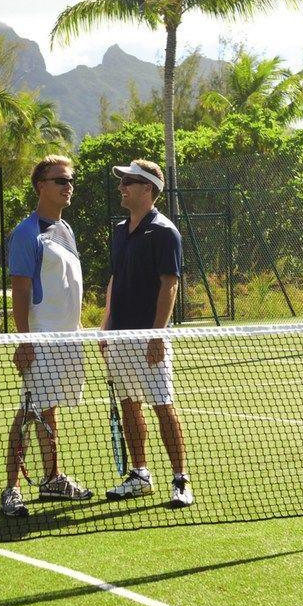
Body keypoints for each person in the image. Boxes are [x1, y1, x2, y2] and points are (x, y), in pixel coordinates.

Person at [0, 155, 93, 518]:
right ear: (41, 186)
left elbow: (69, 287)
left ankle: (53, 478)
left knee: (49, 408)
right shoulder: (25, 234)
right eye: (60, 181)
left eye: (70, 181)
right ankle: (12, 489)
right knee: (29, 411)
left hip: (70, 340)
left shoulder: (66, 230)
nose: (68, 187)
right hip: (40, 339)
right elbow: (20, 290)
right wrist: (23, 341)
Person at [100, 159, 193, 509]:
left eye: (129, 181)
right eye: (122, 180)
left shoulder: (165, 231)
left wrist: (157, 335)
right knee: (129, 405)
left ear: (148, 189)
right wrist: (106, 326)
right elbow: (114, 280)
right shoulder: (120, 230)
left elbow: (169, 284)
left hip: (149, 336)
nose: (122, 186)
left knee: (162, 406)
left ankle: (180, 480)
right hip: (119, 338)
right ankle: (140, 474)